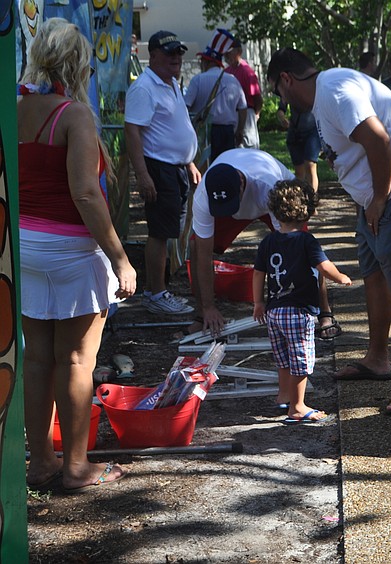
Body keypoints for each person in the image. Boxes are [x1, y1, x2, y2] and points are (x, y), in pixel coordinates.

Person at [266, 47, 391, 415]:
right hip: (375, 196)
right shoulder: (324, 98)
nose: (281, 101)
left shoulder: (334, 90)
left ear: (286, 79)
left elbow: (379, 140)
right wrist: (368, 199)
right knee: (375, 272)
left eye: (278, 92)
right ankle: (378, 358)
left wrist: (378, 197)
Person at [18, 17, 135, 492]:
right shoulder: (73, 115)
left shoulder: (13, 106)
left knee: (37, 360)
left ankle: (41, 463)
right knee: (76, 362)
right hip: (70, 250)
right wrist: (121, 258)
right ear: (76, 63)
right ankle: (77, 467)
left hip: (25, 248)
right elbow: (86, 194)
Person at [189, 148, 342, 340]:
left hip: (271, 198)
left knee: (302, 245)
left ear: (242, 183)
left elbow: (290, 246)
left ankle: (323, 312)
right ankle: (203, 314)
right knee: (196, 248)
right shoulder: (203, 196)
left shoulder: (269, 185)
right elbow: (204, 256)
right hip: (243, 196)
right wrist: (209, 306)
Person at [253, 179, 352, 423]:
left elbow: (258, 273)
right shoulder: (307, 241)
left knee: (283, 357)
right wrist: (340, 277)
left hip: (274, 311)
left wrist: (258, 302)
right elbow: (323, 266)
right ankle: (297, 407)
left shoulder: (268, 241)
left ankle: (283, 396)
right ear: (307, 211)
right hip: (298, 312)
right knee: (301, 358)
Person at [125, 30, 200, 315]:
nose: (176, 58)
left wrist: (189, 161)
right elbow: (132, 132)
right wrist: (143, 175)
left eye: (179, 53)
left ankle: (159, 290)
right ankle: (155, 294)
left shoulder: (170, 83)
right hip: (159, 169)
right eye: (169, 53)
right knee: (159, 233)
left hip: (176, 168)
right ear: (152, 55)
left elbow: (174, 126)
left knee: (169, 231)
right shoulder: (144, 87)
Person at [184, 30, 247, 164]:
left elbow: (186, 106)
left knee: (205, 166)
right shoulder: (233, 80)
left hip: (204, 131)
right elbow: (243, 108)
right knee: (227, 165)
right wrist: (240, 130)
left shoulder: (198, 80)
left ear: (206, 62)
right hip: (227, 132)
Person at [224, 37, 263, 149]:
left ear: (239, 52)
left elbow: (257, 98)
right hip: (231, 115)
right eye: (226, 53)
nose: (227, 56)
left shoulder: (247, 72)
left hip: (247, 113)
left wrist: (256, 113)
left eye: (230, 53)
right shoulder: (226, 72)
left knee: (248, 146)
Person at [277, 102, 321, 191]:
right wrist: (282, 118)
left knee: (310, 165)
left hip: (313, 131)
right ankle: (299, 199)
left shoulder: (315, 88)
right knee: (299, 172)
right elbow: (281, 109)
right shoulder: (288, 89)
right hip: (295, 132)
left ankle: (312, 199)